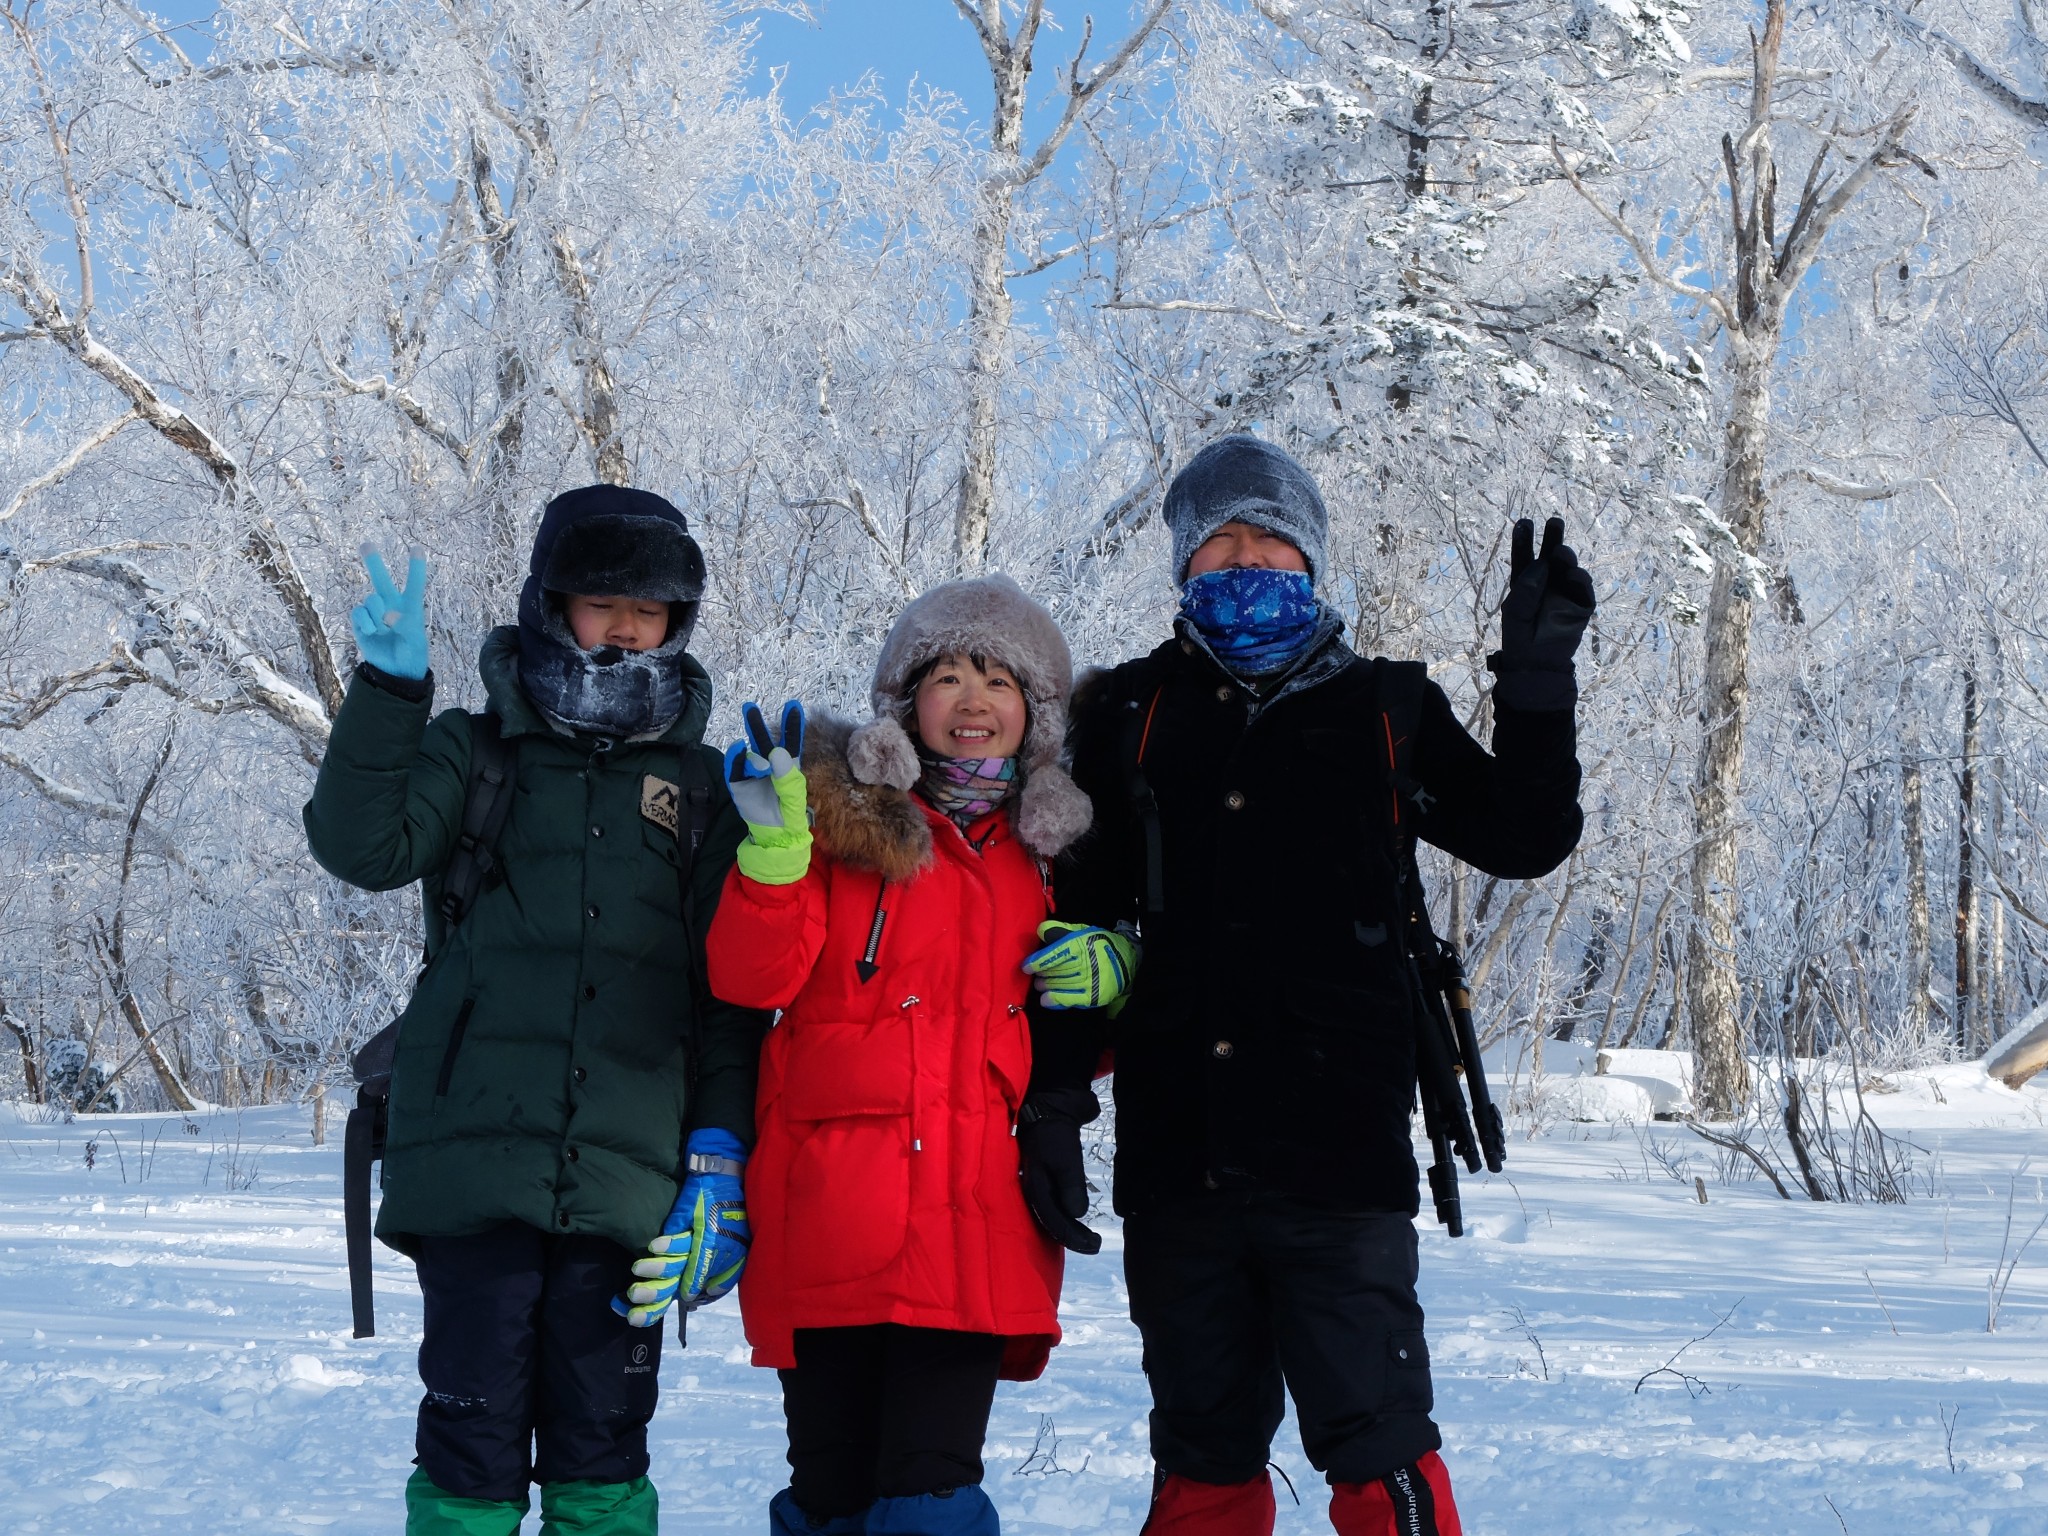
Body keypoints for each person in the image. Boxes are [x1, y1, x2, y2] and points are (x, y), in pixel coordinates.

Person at [1020, 435, 1592, 1536]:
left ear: (1311, 556)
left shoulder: (1387, 710)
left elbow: (1522, 836)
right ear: (1183, 564)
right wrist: (1052, 1104)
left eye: (1267, 538)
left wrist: (1534, 682)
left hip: (1338, 1154)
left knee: (1377, 1447)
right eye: (1218, 541)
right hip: (1178, 1155)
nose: (1244, 560)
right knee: (1201, 1452)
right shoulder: (1126, 715)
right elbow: (1070, 932)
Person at [304, 485, 765, 1536]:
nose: (621, 629)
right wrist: (389, 689)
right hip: (475, 1163)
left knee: (604, 1445)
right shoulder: (479, 750)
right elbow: (358, 846)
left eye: (645, 612)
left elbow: (731, 996)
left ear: (674, 624)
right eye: (601, 603)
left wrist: (717, 1153)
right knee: (467, 1447)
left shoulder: (700, 788)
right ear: (551, 604)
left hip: (629, 1178)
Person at [680, 575, 1113, 1536]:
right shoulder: (837, 830)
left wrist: (1123, 975)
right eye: (947, 675)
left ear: (1032, 714)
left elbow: (1073, 1044)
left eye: (999, 682)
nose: (972, 702)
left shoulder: (1055, 857)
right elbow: (752, 981)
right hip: (833, 1209)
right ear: (904, 703)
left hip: (976, 1221)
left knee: (933, 1491)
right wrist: (774, 857)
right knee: (832, 1492)